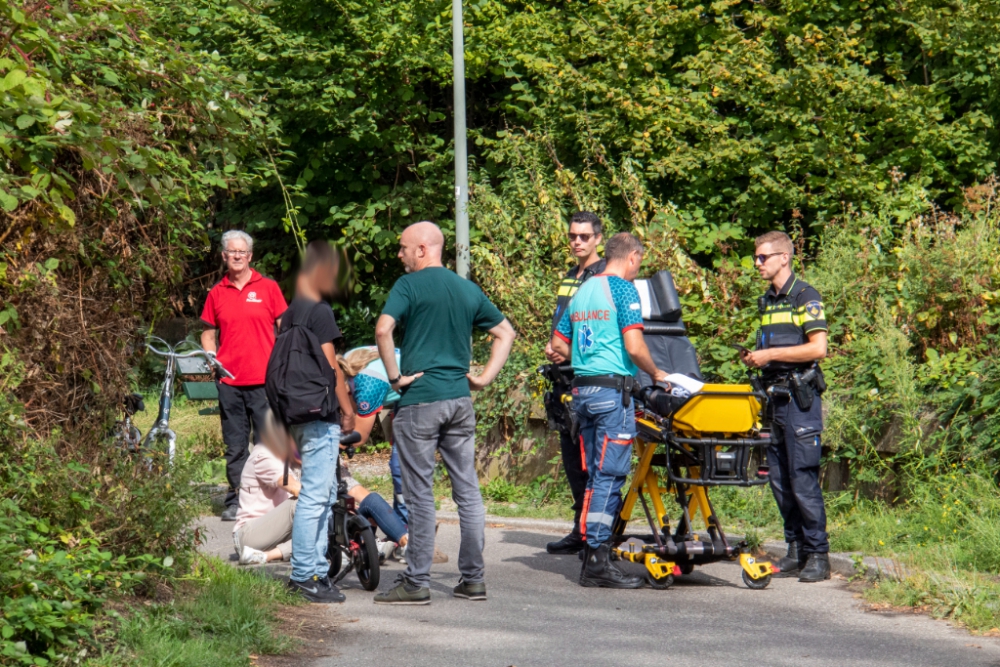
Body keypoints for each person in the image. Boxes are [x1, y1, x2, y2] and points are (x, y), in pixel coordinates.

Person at [372, 221, 516, 605]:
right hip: (459, 401)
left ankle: (416, 582)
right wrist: (483, 378)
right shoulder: (466, 289)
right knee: (467, 491)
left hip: (420, 401)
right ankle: (473, 579)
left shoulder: (408, 287)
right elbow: (506, 333)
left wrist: (394, 377)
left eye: (403, 248)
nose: (399, 254)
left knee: (420, 495)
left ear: (422, 249)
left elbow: (383, 329)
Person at [550, 232, 670, 589]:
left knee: (593, 476)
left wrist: (588, 359)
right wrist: (656, 373)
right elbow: (634, 347)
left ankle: (591, 551)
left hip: (583, 392)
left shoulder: (582, 289)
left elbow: (557, 344)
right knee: (610, 476)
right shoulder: (622, 289)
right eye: (639, 263)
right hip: (611, 396)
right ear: (632, 257)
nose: (638, 270)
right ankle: (598, 561)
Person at [740, 231, 830, 583]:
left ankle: (818, 556)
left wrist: (771, 354)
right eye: (756, 258)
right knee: (779, 479)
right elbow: (773, 349)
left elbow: (817, 348)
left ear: (784, 258)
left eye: (763, 258)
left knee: (802, 479)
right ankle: (795, 549)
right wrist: (757, 358)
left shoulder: (805, 296)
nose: (757, 264)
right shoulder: (767, 301)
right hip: (774, 399)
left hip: (799, 400)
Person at [278, 240, 356, 603]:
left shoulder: (292, 310)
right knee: (315, 496)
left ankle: (317, 572)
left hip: (297, 412)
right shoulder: (320, 312)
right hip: (319, 414)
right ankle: (304, 574)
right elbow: (330, 369)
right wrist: (347, 409)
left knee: (321, 494)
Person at [201, 230, 288, 522]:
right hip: (229, 382)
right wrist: (211, 357)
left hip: (265, 382)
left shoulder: (268, 288)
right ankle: (237, 498)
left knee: (267, 444)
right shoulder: (217, 292)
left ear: (250, 256)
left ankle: (271, 498)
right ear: (224, 256)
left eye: (242, 252)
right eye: (232, 252)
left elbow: (285, 328)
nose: (237, 256)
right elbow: (208, 333)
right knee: (235, 445)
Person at [543, 211, 607, 556]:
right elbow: (564, 322)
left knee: (591, 462)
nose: (577, 242)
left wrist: (568, 352)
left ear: (598, 238)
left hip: (588, 378)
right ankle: (580, 529)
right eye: (572, 236)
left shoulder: (603, 276)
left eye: (584, 236)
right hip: (563, 380)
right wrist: (553, 345)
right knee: (572, 462)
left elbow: (599, 331)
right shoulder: (569, 277)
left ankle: (595, 534)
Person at [232, 412, 301, 566]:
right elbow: (295, 488)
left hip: (277, 533)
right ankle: (268, 555)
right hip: (249, 534)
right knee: (304, 503)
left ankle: (266, 555)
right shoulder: (265, 454)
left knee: (323, 520)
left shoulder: (289, 454)